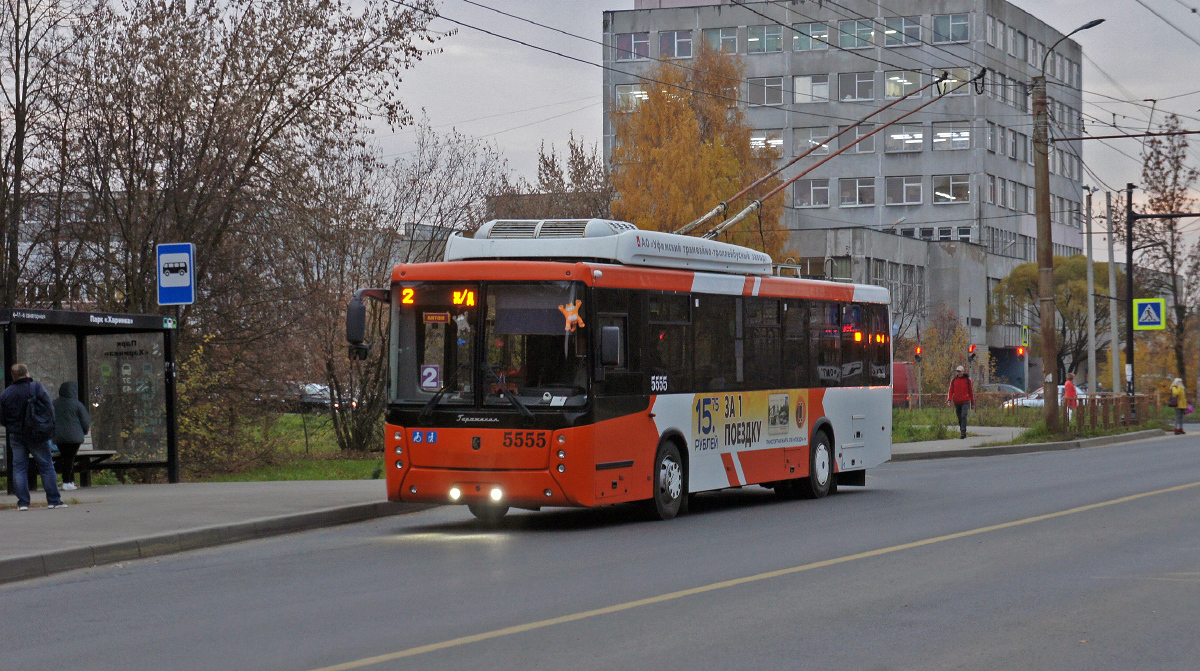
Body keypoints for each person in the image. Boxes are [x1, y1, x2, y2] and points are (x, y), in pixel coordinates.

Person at [1, 364, 66, 511]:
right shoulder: (36, 387)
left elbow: (2, 417)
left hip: (16, 435)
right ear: (27, 373)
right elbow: (49, 407)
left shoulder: (6, 394)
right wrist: (49, 425)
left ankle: (23, 503)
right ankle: (54, 501)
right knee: (46, 466)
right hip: (37, 433)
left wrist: (12, 427)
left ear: (13, 376)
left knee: (19, 468)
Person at [53, 381, 91, 491]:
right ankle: (67, 481)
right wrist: (84, 432)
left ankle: (70, 481)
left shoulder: (54, 404)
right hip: (74, 437)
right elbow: (85, 421)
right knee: (69, 458)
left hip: (59, 437)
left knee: (66, 458)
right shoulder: (77, 404)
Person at [947, 365, 975, 439]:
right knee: (959, 417)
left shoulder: (967, 380)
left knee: (963, 416)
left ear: (963, 371)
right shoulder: (954, 380)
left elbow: (971, 391)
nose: (959, 373)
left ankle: (963, 432)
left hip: (965, 401)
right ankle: (961, 429)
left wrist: (972, 402)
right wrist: (949, 400)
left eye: (960, 371)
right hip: (957, 401)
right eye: (958, 371)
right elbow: (951, 391)